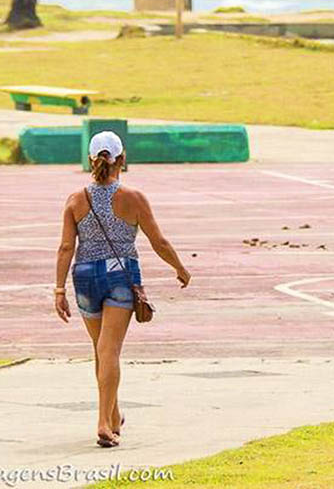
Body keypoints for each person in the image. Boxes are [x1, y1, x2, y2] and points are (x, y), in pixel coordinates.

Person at [53, 131, 191, 448]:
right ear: (122, 159)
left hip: (84, 276)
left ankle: (114, 416)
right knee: (110, 350)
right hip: (120, 275)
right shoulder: (133, 198)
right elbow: (159, 241)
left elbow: (64, 248)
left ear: (90, 160)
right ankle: (103, 421)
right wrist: (179, 267)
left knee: (100, 349)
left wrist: (59, 290)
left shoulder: (76, 200)